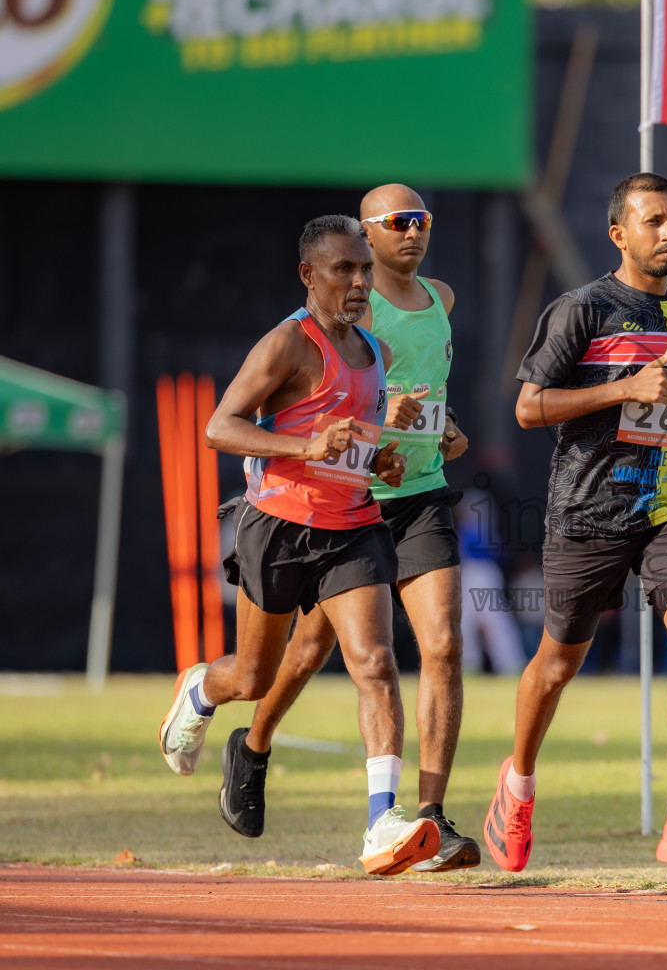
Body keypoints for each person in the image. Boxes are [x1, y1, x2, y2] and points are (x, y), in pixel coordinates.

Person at [483, 172, 667, 872]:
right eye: (654, 221)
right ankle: (517, 787)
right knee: (556, 663)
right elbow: (529, 408)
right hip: (588, 508)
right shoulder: (581, 309)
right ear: (619, 233)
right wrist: (624, 388)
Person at [158, 214, 440, 876]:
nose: (359, 281)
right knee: (254, 678)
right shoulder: (288, 344)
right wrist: (302, 445)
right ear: (308, 275)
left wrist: (383, 464)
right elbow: (218, 427)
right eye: (343, 269)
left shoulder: (378, 352)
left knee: (373, 661)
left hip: (353, 526)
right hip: (279, 526)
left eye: (364, 269)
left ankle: (381, 822)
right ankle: (202, 690)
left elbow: (356, 443)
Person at [212, 186, 483, 873]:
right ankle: (255, 744)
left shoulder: (442, 299)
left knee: (440, 646)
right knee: (300, 656)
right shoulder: (341, 310)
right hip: (341, 499)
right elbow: (293, 403)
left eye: (422, 220)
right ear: (363, 238)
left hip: (415, 493)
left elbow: (428, 401)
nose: (413, 234)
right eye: (398, 223)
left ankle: (424, 821)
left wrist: (445, 430)